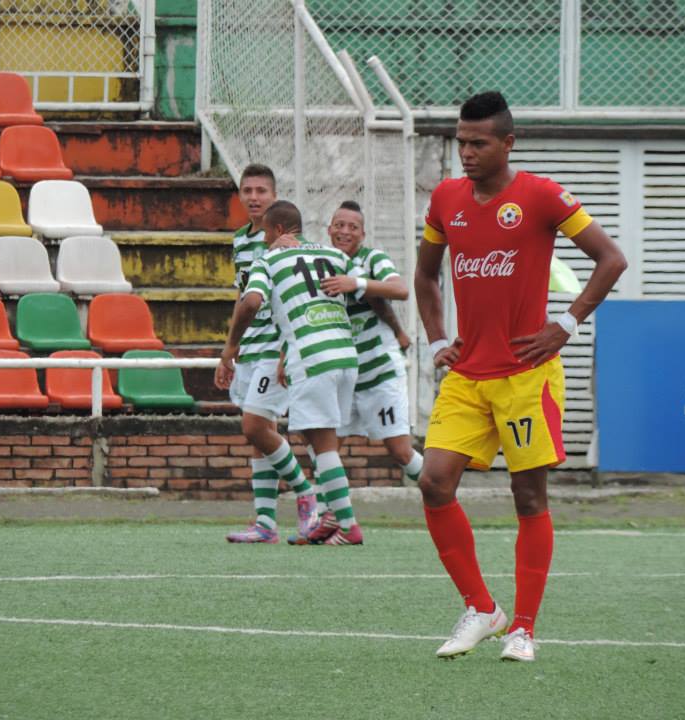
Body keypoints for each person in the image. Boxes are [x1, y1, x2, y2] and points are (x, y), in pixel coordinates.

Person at [414, 91, 627, 662]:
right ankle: (482, 608)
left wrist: (567, 322)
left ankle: (524, 629)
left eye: (478, 143)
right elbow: (426, 275)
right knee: (434, 482)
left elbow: (611, 258)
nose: (466, 153)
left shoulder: (541, 195)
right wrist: (438, 339)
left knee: (527, 494)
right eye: (461, 141)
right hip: (467, 373)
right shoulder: (446, 199)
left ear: (508, 143)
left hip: (527, 375)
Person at [221, 200, 407, 546]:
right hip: (345, 357)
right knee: (318, 440)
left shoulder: (269, 259)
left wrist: (230, 347)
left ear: (277, 231)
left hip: (312, 357)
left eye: (265, 234)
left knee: (320, 443)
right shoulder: (332, 255)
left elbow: (250, 302)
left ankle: (346, 524)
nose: (262, 242)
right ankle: (332, 516)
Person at [215, 164, 317, 544]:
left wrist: (287, 352)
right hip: (249, 349)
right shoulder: (241, 241)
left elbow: (297, 299)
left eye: (261, 190)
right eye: (247, 190)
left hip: (276, 346)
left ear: (274, 196)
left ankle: (306, 494)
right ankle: (265, 523)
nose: (254, 197)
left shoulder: (290, 242)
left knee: (254, 425)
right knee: (259, 434)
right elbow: (242, 298)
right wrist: (229, 350)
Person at [326, 201, 424, 486]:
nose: (345, 232)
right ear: (329, 229)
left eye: (352, 227)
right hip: (342, 378)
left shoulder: (372, 259)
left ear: (363, 233)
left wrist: (355, 283)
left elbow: (400, 290)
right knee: (326, 451)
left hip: (379, 375)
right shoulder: (322, 264)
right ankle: (323, 519)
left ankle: (440, 491)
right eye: (339, 225)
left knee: (401, 452)